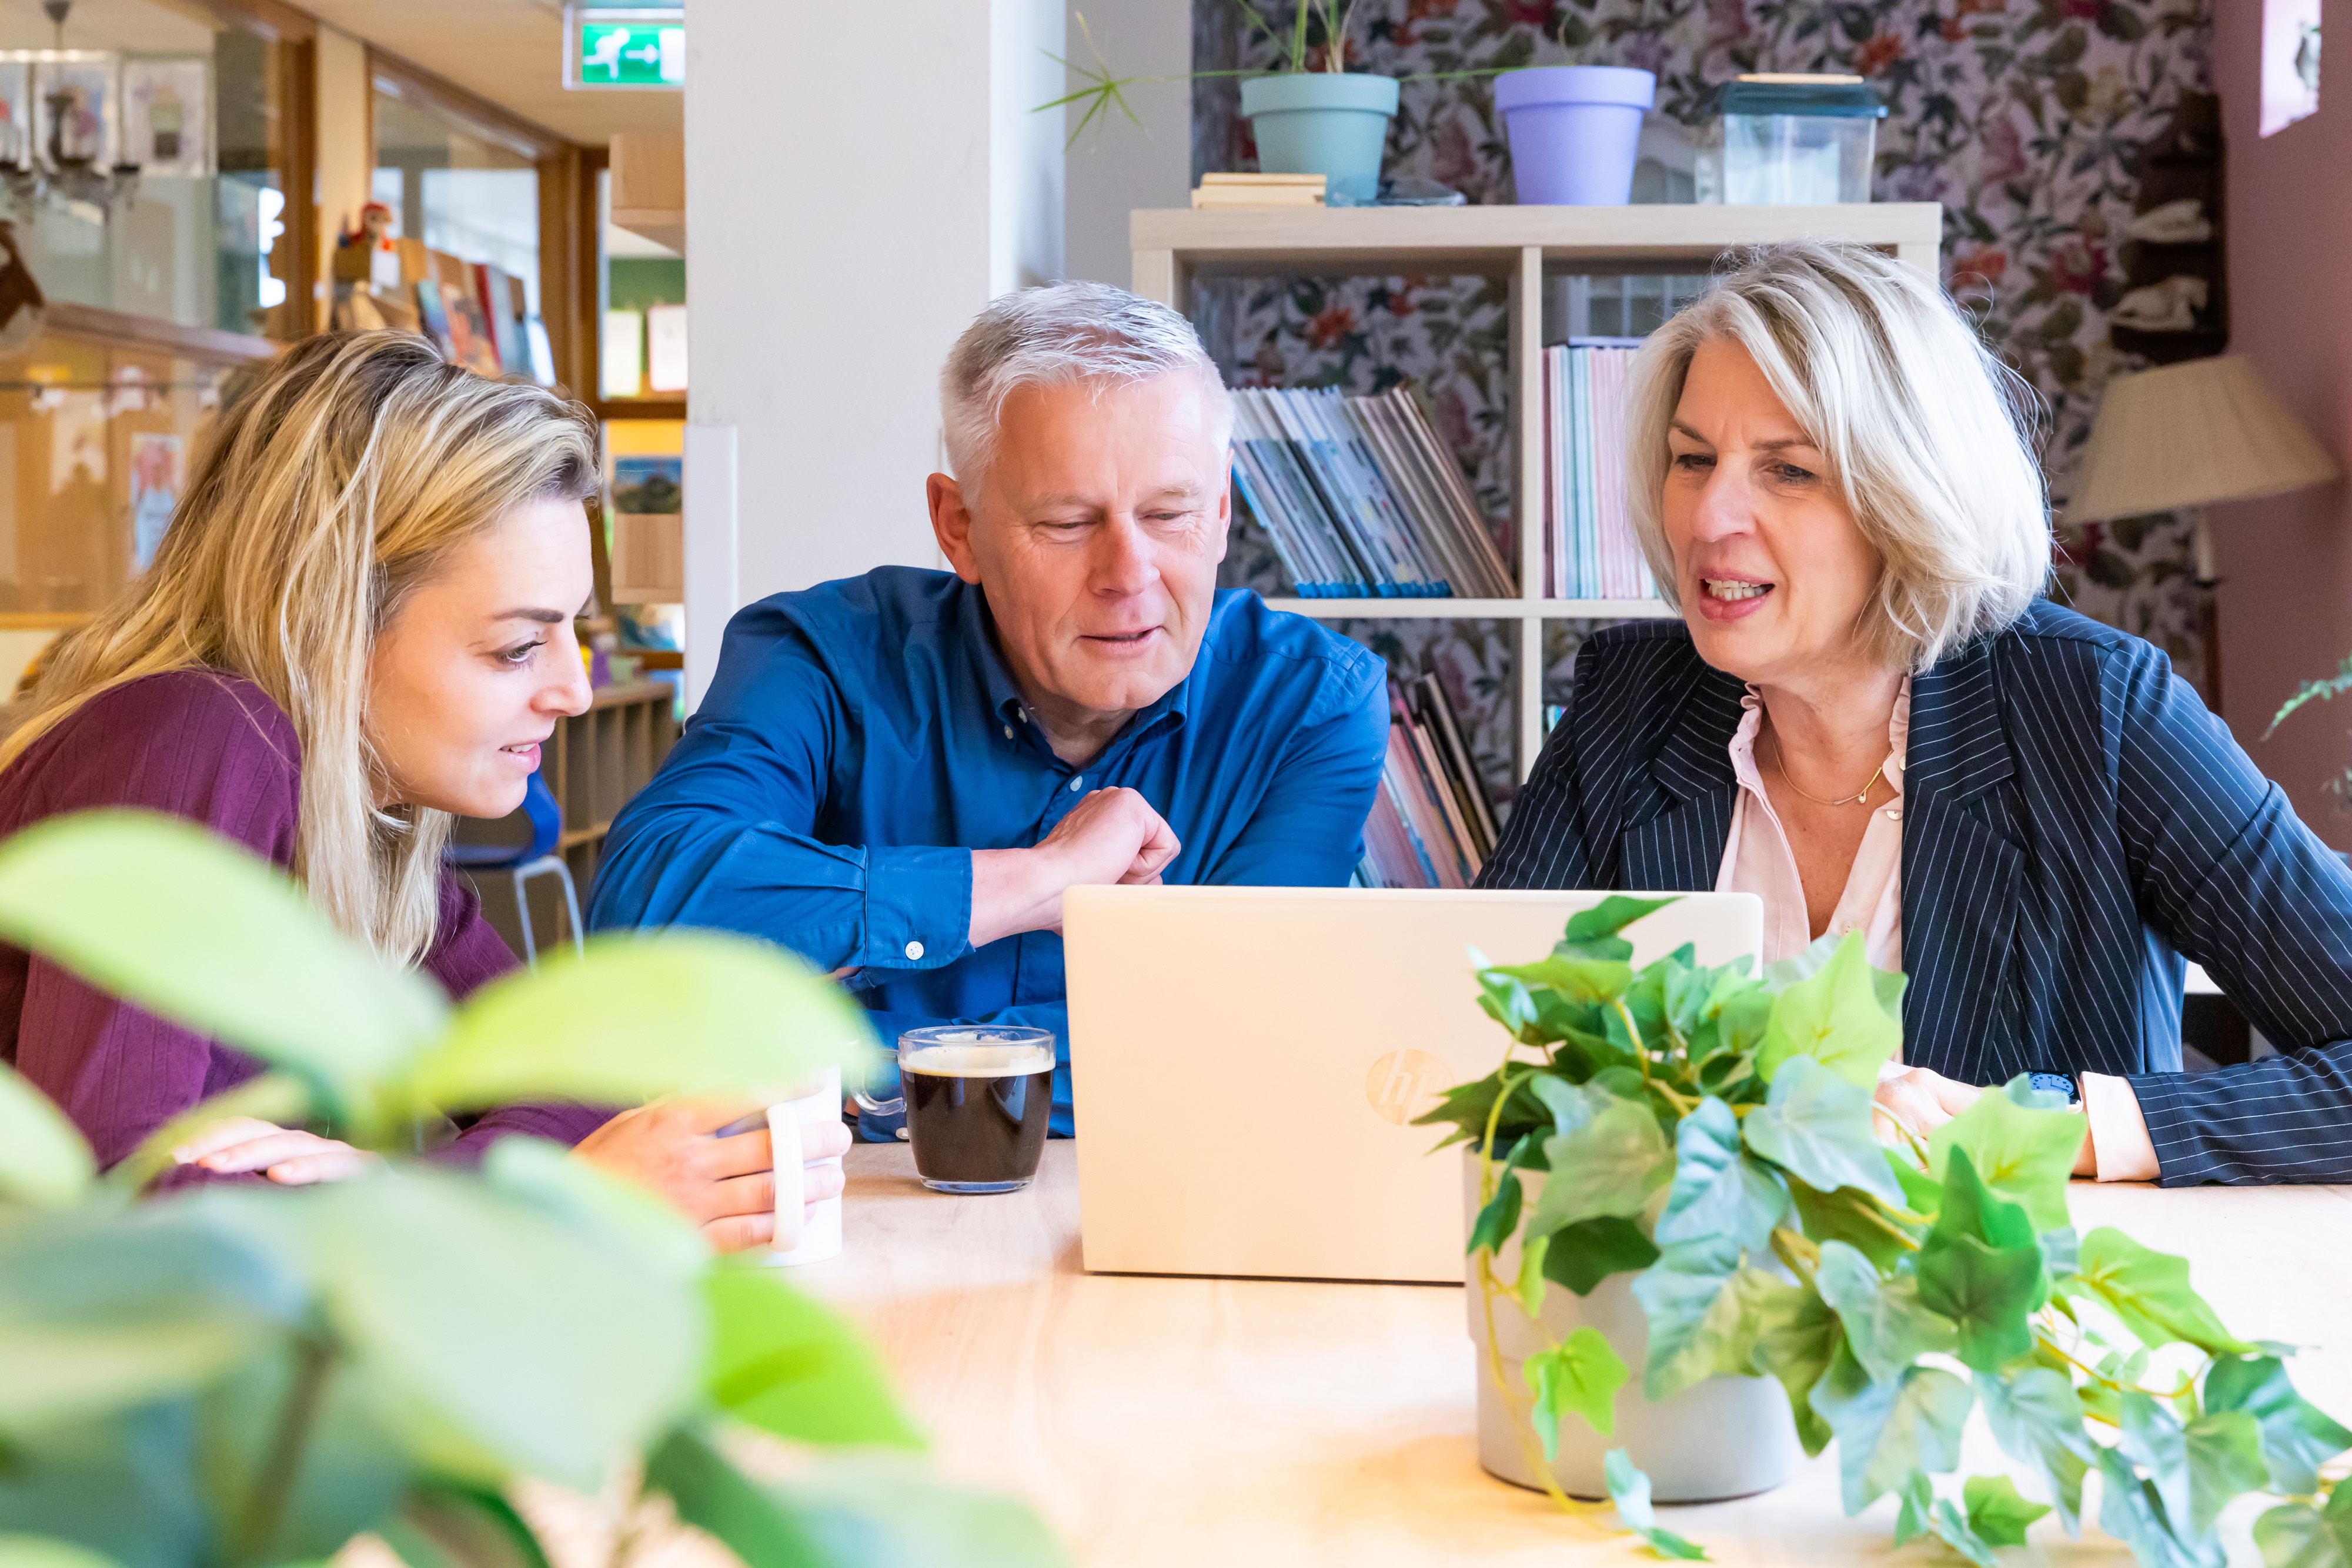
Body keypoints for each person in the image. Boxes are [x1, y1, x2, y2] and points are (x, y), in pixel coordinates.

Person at [1479, 240, 2352, 1186]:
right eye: (1693, 459)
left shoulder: (2097, 709)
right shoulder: (1629, 697)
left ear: (1910, 500)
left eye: (1789, 471)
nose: (1708, 516)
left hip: (2017, 1310)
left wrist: (2055, 1128)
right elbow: (1471, 1036)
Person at [0, 332, 843, 1249]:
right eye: (517, 646)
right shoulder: (190, 739)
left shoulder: (362, 820)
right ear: (331, 620)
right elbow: (104, 1232)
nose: (573, 689)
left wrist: (403, 1191)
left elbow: (574, 1085)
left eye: (570, 634)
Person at [587, 282, 1389, 1136]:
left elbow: (1229, 1056)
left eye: (1170, 514)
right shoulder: (818, 655)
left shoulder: (1312, 705)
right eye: (1068, 522)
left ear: (1223, 510)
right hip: (833, 1229)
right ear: (958, 525)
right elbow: (645, 923)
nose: (1129, 573)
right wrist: (1043, 880)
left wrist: (849, 1069)